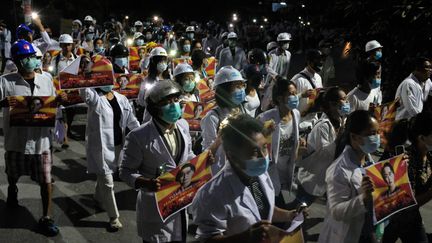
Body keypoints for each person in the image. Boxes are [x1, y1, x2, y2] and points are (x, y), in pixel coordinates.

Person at [192, 114, 300, 242]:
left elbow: (263, 208)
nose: (263, 156)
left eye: (264, 147)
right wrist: (245, 238)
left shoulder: (258, 174)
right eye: (254, 151)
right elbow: (207, 240)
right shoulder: (212, 195)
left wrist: (290, 215)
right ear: (232, 156)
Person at [119, 80, 196, 242]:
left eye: (175, 100)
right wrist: (145, 182)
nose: (174, 105)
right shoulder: (138, 136)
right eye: (167, 102)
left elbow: (187, 155)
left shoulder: (182, 127)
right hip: (154, 207)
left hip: (179, 202)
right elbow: (125, 171)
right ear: (155, 108)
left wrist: (198, 163)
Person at [1, 40, 61, 236]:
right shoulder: (5, 81)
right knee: (13, 172)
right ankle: (12, 188)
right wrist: (3, 103)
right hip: (16, 140)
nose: (31, 61)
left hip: (41, 141)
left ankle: (46, 217)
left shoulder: (46, 79)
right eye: (26, 58)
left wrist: (59, 101)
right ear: (17, 61)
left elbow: (52, 104)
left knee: (46, 180)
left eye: (32, 57)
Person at [79, 84, 139, 231]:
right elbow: (84, 92)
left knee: (106, 176)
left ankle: (98, 198)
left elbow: (131, 120)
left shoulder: (122, 99)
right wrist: (86, 75)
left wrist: (142, 135)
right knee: (107, 180)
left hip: (118, 145)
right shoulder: (94, 97)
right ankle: (113, 217)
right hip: (100, 147)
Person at [318, 110, 379, 243]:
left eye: (377, 132)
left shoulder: (368, 160)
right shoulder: (338, 170)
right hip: (348, 234)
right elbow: (336, 211)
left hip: (368, 230)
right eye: (371, 134)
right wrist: (363, 198)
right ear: (355, 137)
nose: (377, 137)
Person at [379, 111, 432, 243]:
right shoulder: (405, 161)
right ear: (422, 138)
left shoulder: (428, 154)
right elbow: (407, 204)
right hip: (390, 218)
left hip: (410, 218)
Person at [296, 87, 349, 206]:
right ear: (333, 104)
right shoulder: (322, 126)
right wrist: (338, 139)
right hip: (310, 177)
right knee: (297, 212)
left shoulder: (341, 121)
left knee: (304, 207)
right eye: (344, 99)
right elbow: (324, 154)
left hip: (322, 177)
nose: (347, 102)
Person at [257, 79, 300, 202]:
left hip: (286, 173)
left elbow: (294, 139)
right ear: (280, 98)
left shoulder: (296, 114)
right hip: (270, 173)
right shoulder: (265, 118)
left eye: (295, 93)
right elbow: (254, 145)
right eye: (291, 94)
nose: (295, 97)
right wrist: (264, 135)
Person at [201, 66, 248, 173]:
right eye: (237, 86)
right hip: (221, 172)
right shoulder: (212, 117)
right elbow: (206, 155)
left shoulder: (242, 110)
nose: (241, 90)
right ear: (224, 91)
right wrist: (219, 139)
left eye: (242, 85)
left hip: (241, 169)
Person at [137, 47, 170, 122]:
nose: (162, 63)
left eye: (164, 60)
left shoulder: (170, 79)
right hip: (150, 118)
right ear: (153, 62)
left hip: (166, 117)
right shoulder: (147, 80)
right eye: (159, 60)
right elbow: (141, 101)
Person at [290, 49, 324, 116]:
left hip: (314, 118)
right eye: (317, 60)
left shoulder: (318, 77)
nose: (320, 62)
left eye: (322, 60)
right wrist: (302, 95)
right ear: (309, 62)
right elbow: (288, 101)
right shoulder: (297, 79)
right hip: (301, 121)